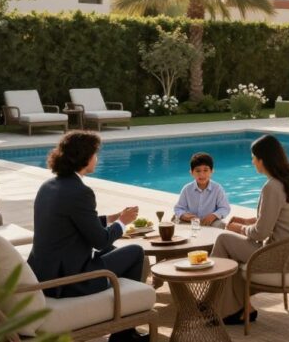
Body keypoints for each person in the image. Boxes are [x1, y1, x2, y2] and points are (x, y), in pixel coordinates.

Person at [27, 131, 147, 342]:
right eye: (95, 154)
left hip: (45, 274)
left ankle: (126, 327)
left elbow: (73, 223)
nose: (96, 158)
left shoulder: (49, 186)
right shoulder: (80, 192)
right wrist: (122, 222)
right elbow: (100, 241)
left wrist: (111, 218)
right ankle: (123, 334)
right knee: (136, 252)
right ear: (85, 157)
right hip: (69, 281)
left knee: (114, 251)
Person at [211, 134, 289, 325]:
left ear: (262, 160)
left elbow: (261, 233)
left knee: (223, 240)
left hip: (280, 256)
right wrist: (247, 221)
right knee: (231, 254)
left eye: (253, 157)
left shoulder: (271, 187)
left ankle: (213, 302)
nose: (252, 161)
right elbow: (279, 218)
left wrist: (239, 228)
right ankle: (241, 308)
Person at [174, 152, 231, 227]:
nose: (202, 174)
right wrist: (183, 215)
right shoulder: (187, 189)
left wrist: (214, 215)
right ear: (191, 172)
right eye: (198, 171)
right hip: (191, 222)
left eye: (205, 170)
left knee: (221, 225)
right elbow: (178, 208)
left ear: (212, 171)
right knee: (176, 220)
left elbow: (225, 208)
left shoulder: (217, 189)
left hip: (211, 222)